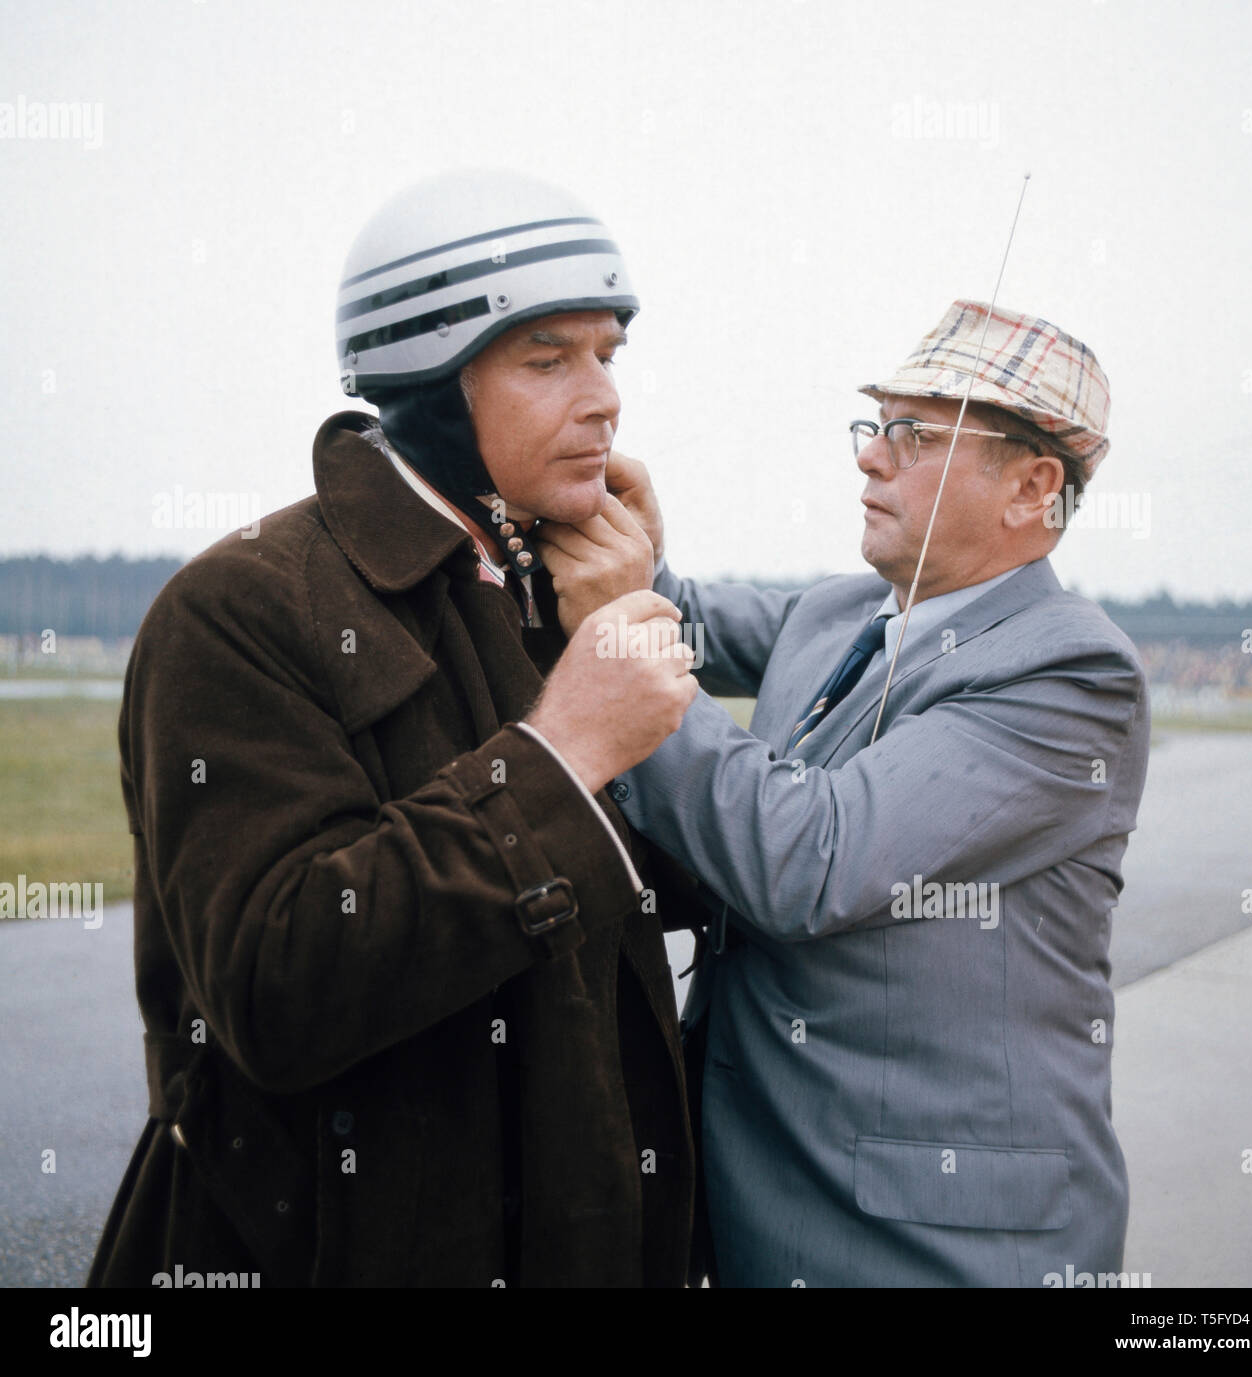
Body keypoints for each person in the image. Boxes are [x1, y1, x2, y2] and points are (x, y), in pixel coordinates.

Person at [87, 169, 704, 1289]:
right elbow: (275, 987)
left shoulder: (547, 593)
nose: (606, 396)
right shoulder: (241, 606)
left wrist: (643, 614)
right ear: (424, 379)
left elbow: (680, 902)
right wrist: (561, 756)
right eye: (547, 357)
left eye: (608, 353)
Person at [541, 300, 1150, 1287]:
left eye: (912, 436)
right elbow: (673, 614)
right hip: (762, 1196)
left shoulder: (1071, 674)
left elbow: (808, 861)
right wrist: (618, 540)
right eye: (877, 427)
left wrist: (620, 623)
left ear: (1030, 488)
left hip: (938, 1242)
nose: (870, 459)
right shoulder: (840, 609)